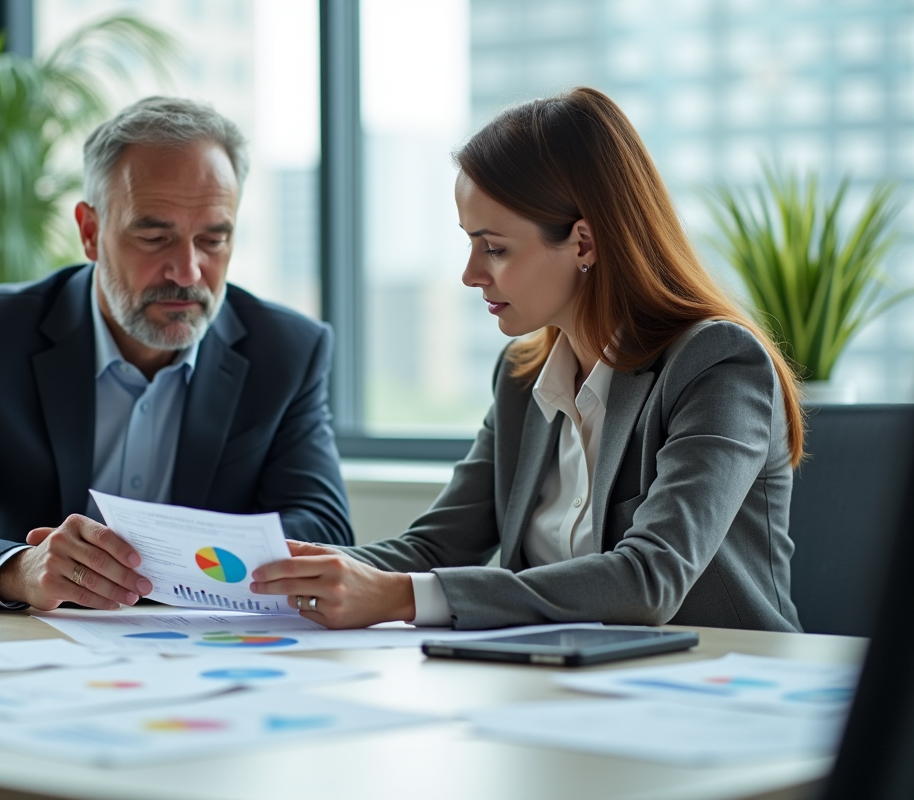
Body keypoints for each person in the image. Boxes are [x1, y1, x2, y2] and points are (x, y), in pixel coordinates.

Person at [250, 87, 804, 633]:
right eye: (470, 244)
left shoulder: (716, 364)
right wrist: (281, 568)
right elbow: (436, 547)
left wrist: (399, 597)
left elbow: (648, 579)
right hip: (556, 674)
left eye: (494, 248)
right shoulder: (521, 378)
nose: (470, 274)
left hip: (720, 675)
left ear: (584, 243)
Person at [0, 97, 352, 612]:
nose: (188, 271)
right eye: (155, 237)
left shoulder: (286, 351)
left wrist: (175, 562)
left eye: (213, 240)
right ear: (90, 232)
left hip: (202, 643)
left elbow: (328, 535)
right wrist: (19, 570)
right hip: (25, 641)